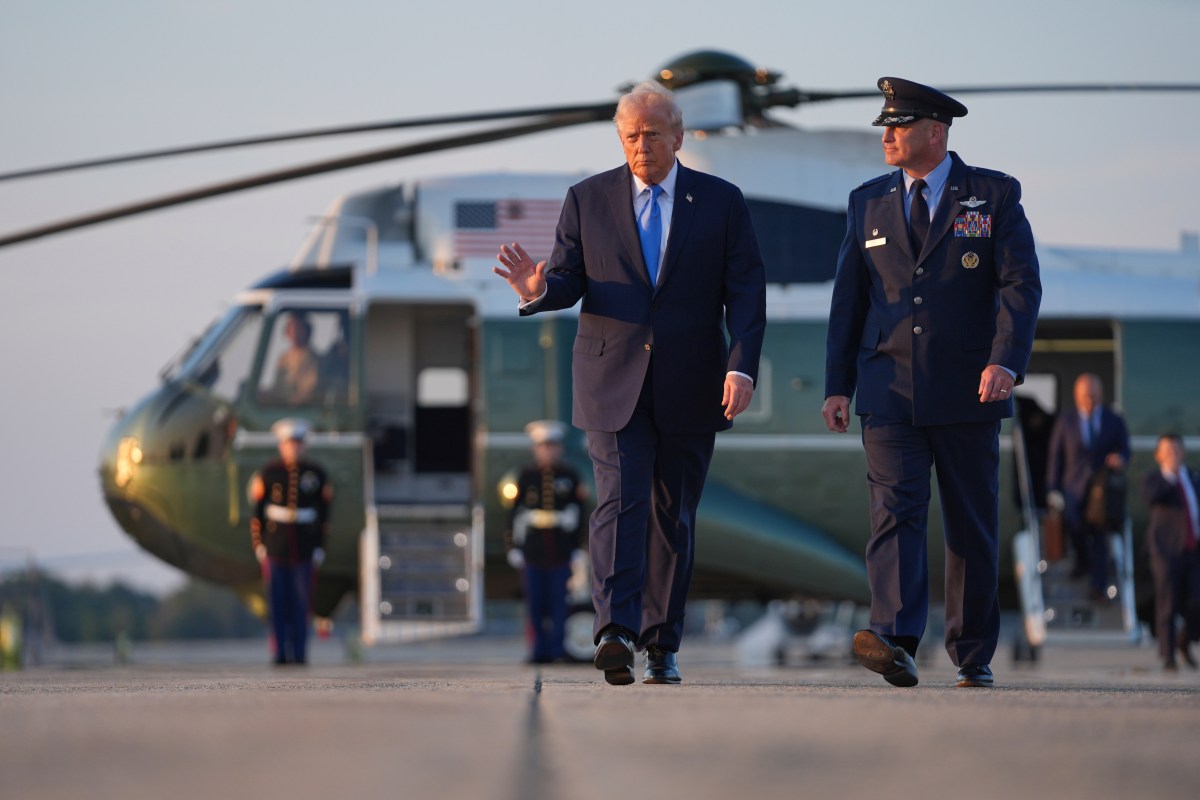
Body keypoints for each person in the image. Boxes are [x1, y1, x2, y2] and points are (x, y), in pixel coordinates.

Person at [493, 81, 767, 685]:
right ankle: (614, 629)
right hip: (610, 380)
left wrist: (741, 365)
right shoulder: (587, 199)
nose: (641, 144)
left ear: (678, 136)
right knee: (619, 502)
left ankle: (661, 643)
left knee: (674, 515)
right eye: (630, 135)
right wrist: (538, 292)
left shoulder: (721, 202)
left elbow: (746, 293)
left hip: (693, 383)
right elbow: (567, 278)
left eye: (651, 133)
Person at [822, 77, 1042, 689]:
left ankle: (972, 654)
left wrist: (1005, 359)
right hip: (887, 388)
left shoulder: (991, 196)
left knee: (970, 523)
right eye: (885, 126)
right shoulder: (866, 201)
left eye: (899, 125)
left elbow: (1019, 286)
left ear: (936, 132)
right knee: (894, 512)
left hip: (971, 388)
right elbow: (849, 301)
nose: (886, 135)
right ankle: (894, 638)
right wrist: (837, 384)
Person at [502, 420, 588, 664]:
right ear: (535, 449)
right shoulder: (525, 475)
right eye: (543, 446)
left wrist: (578, 547)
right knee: (536, 604)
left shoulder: (569, 476)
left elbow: (580, 514)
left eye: (552, 446)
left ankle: (557, 648)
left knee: (559, 604)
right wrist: (512, 547)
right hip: (533, 549)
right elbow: (513, 513)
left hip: (560, 549)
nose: (547, 451)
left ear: (559, 448)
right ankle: (539, 651)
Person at [248, 418, 333, 665]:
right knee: (278, 602)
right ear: (281, 446)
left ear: (304, 446)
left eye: (298, 444)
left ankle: (299, 652)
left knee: (301, 602)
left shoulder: (316, 474)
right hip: (276, 545)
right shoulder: (269, 473)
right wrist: (259, 543)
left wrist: (319, 546)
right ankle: (280, 653)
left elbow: (324, 516)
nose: (293, 448)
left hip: (304, 546)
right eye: (289, 444)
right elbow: (257, 512)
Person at [1046, 373, 1130, 597]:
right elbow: (1056, 455)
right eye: (1085, 396)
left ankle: (1097, 585)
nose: (1089, 400)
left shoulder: (1114, 419)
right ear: (1076, 396)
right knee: (1075, 529)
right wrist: (1052, 488)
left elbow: (1125, 449)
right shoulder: (1066, 420)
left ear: (1101, 394)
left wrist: (1120, 458)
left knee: (1100, 536)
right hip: (1073, 488)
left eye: (1093, 395)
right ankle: (1082, 562)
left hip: (1102, 491)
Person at [1142, 433, 1200, 671]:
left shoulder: (1194, 478)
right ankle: (1168, 656)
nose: (1173, 455)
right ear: (1159, 456)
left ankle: (1183, 640)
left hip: (1193, 549)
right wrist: (1171, 477)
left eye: (1176, 450)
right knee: (1168, 603)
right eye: (1167, 451)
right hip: (1165, 552)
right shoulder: (1155, 480)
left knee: (1197, 601)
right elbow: (1152, 498)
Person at [270, 312, 320, 404]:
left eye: (299, 328)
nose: (295, 332)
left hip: (299, 411)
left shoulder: (311, 358)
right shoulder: (283, 358)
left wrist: (289, 404)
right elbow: (277, 388)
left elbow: (309, 392)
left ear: (307, 330)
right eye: (292, 327)